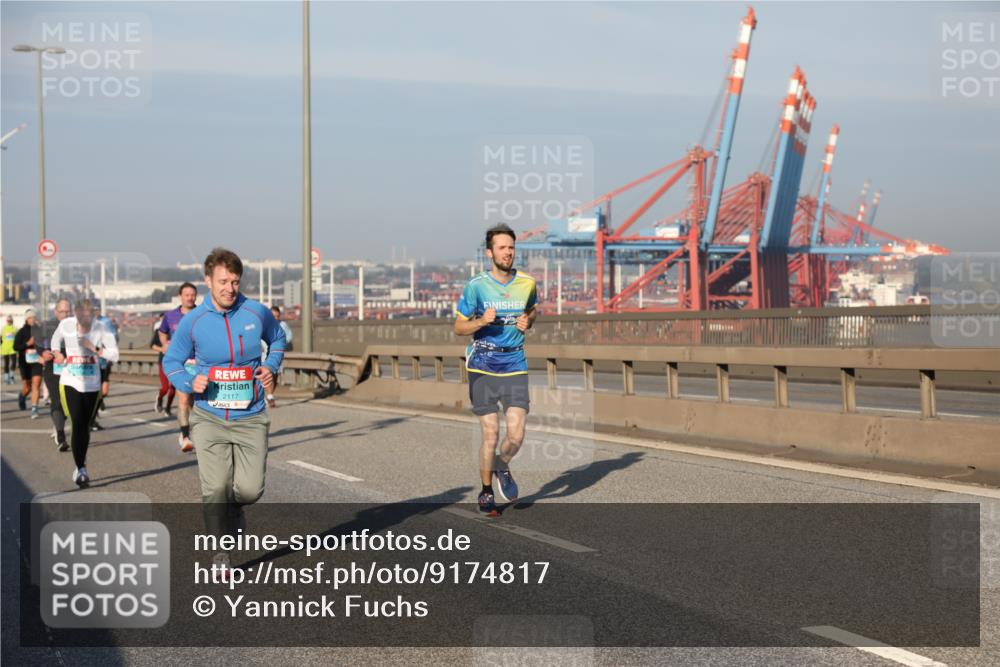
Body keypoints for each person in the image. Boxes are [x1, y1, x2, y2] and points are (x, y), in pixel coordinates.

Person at [163, 248, 285, 572]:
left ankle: (236, 510)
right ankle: (220, 552)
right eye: (222, 281)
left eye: (234, 281)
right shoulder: (193, 322)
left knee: (250, 489)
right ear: (207, 281)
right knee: (215, 487)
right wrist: (190, 381)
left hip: (251, 415)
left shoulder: (256, 312)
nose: (230, 288)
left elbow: (278, 339)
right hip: (209, 417)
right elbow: (171, 362)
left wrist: (271, 365)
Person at [453, 223, 537, 515]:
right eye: (502, 248)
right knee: (491, 434)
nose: (508, 253)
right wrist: (481, 322)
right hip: (483, 365)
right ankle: (487, 491)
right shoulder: (476, 285)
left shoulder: (527, 282)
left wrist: (529, 320)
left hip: (515, 362)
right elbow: (459, 327)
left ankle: (502, 465)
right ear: (490, 252)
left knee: (516, 435)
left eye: (511, 247)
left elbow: (532, 309)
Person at [51, 300, 119, 487]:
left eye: (89, 314)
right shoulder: (66, 324)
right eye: (81, 314)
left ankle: (81, 460)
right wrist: (57, 353)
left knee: (85, 426)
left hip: (92, 384)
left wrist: (95, 349)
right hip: (70, 381)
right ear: (76, 313)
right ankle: (81, 468)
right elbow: (55, 341)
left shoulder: (101, 328)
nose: (85, 318)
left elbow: (114, 355)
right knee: (77, 422)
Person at [159, 282, 199, 452]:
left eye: (192, 294)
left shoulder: (202, 313)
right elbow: (162, 332)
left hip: (199, 363)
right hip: (180, 364)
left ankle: (193, 429)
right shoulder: (170, 316)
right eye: (187, 294)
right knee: (183, 399)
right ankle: (185, 436)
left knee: (195, 403)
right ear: (180, 296)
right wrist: (165, 345)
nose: (190, 297)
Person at [41, 298, 73, 451]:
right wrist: (44, 353)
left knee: (68, 402)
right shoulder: (47, 326)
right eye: (62, 312)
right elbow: (39, 344)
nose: (65, 315)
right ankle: (61, 435)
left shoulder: (77, 325)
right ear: (56, 312)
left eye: (68, 311)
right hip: (53, 368)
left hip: (72, 368)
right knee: (57, 399)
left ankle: (58, 423)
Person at [13, 309, 44, 418]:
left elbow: (45, 342)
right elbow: (16, 347)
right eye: (31, 318)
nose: (33, 319)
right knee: (27, 387)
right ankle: (22, 396)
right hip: (24, 362)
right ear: (26, 319)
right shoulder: (21, 332)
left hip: (37, 361)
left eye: (34, 317)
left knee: (36, 384)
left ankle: (34, 409)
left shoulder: (39, 330)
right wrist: (28, 343)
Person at [264, 305, 293, 408]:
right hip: (265, 353)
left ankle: (269, 394)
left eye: (276, 316)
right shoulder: (263, 324)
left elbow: (289, 336)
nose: (274, 318)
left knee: (275, 375)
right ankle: (270, 396)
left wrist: (280, 343)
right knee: (269, 374)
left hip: (278, 353)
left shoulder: (283, 325)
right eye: (272, 316)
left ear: (279, 316)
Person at [151, 314, 176, 417]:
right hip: (164, 362)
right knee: (165, 388)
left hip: (176, 362)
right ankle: (160, 398)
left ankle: (168, 409)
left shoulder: (177, 332)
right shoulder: (159, 332)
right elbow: (152, 346)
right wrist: (163, 349)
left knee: (173, 388)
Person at [2, 315, 17, 384]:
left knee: (13, 363)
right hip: (5, 349)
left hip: (13, 349)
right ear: (6, 321)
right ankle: (6, 378)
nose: (9, 322)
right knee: (6, 363)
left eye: (10, 320)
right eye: (8, 320)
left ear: (12, 321)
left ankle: (11, 376)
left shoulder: (14, 328)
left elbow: (17, 338)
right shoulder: (4, 328)